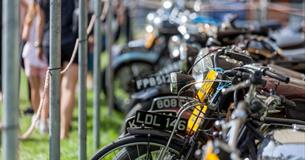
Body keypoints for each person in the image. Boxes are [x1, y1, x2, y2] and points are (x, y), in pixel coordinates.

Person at [36, 0, 78, 139]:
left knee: (51, 86)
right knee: (69, 88)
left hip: (50, 39)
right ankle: (64, 132)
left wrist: (38, 44)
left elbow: (40, 19)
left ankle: (43, 122)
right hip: (72, 38)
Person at [22, 0, 49, 133]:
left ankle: (37, 117)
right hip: (43, 54)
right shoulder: (45, 13)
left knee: (34, 89)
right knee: (45, 91)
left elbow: (25, 36)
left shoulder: (30, 14)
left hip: (30, 54)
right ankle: (44, 121)